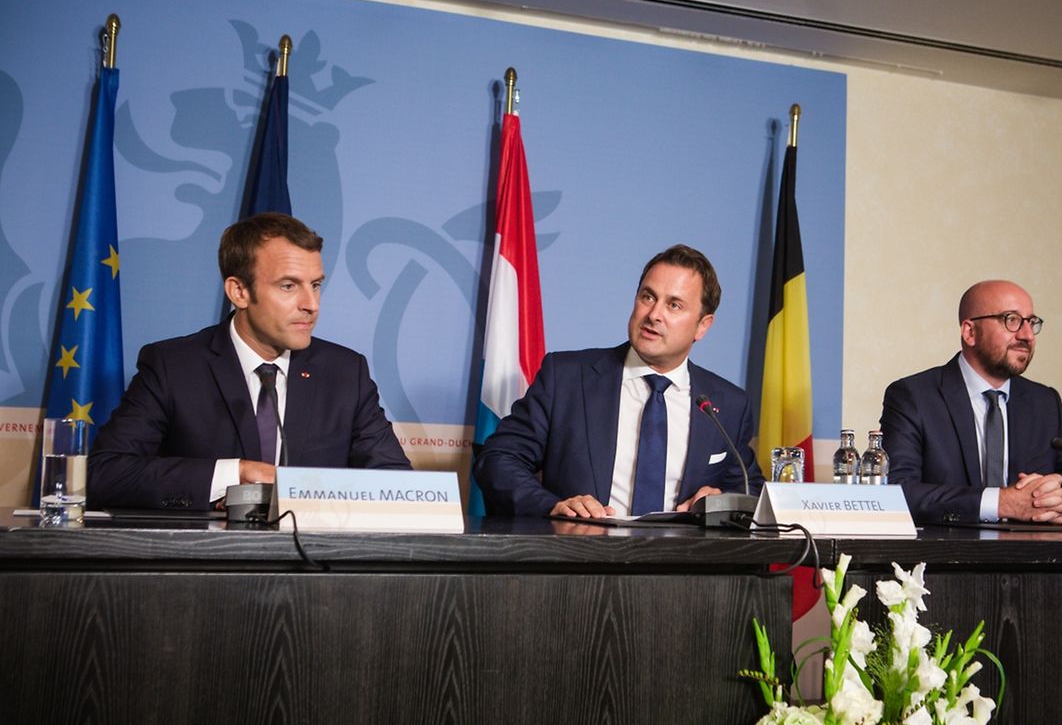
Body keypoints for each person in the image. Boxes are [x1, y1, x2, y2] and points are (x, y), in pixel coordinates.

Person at [89, 213, 410, 510]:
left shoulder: (345, 372)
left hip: (313, 565)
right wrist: (234, 475)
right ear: (239, 292)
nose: (311, 304)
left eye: (315, 285)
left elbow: (396, 485)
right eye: (288, 286)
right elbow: (104, 474)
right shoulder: (172, 366)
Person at [474, 245, 764, 517]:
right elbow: (497, 460)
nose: (654, 314)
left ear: (703, 326)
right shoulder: (566, 378)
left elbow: (752, 496)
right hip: (580, 560)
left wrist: (720, 502)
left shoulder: (726, 404)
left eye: (674, 305)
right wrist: (554, 506)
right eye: (648, 297)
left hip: (684, 564)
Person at [880, 279, 1062, 525]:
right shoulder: (914, 396)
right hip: (949, 558)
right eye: (1011, 320)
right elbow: (897, 493)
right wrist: (1001, 503)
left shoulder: (1045, 404)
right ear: (970, 332)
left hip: (1033, 559)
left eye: (1031, 322)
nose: (1027, 335)